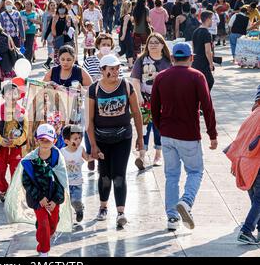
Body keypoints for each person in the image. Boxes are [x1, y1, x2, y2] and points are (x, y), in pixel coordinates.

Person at [151, 42, 218, 231]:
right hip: (189, 134)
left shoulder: (161, 77)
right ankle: (186, 202)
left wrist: (160, 128)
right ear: (192, 58)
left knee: (171, 175)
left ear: (172, 58)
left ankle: (172, 218)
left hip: (167, 134)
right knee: (195, 171)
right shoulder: (197, 76)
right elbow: (207, 107)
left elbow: (154, 108)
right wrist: (212, 134)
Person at [87, 54, 143, 227]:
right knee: (104, 175)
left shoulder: (126, 86)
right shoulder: (94, 89)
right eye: (111, 69)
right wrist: (93, 146)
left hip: (122, 137)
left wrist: (140, 137)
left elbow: (136, 112)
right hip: (101, 138)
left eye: (117, 68)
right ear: (102, 71)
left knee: (119, 175)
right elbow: (89, 120)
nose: (115, 71)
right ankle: (103, 207)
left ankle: (120, 212)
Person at [21, 123, 66, 257]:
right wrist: (40, 197)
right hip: (37, 199)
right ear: (36, 140)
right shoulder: (30, 160)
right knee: (44, 224)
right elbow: (26, 182)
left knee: (52, 225)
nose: (45, 143)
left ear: (55, 141)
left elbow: (61, 181)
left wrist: (55, 200)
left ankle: (43, 231)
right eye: (42, 140)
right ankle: (43, 249)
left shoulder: (58, 159)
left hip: (54, 199)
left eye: (48, 140)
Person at [131, 33, 172, 170]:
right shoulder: (141, 60)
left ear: (162, 45)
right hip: (145, 98)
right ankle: (142, 155)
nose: (153, 44)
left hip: (163, 99)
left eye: (156, 42)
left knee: (158, 127)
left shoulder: (167, 61)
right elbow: (135, 79)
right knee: (143, 127)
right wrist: (139, 96)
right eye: (150, 42)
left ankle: (158, 154)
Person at [225, 91, 260, 244]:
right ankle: (246, 230)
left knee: (256, 201)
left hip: (246, 164)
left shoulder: (254, 114)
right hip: (255, 164)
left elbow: (240, 139)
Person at [0, 83, 28, 202]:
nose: (12, 97)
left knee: (16, 173)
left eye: (14, 94)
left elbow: (26, 131)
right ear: (3, 96)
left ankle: (14, 193)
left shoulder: (21, 111)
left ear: (18, 96)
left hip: (16, 149)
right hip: (1, 148)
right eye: (8, 94)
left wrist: (17, 141)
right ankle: (4, 190)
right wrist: (1, 140)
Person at [61, 124, 102, 223]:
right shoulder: (62, 152)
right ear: (66, 141)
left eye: (79, 138)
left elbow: (87, 158)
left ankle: (79, 210)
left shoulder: (81, 149)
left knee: (76, 200)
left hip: (77, 182)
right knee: (65, 202)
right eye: (75, 138)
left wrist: (97, 156)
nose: (78, 141)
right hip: (66, 183)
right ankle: (65, 218)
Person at [191, 10, 215, 91]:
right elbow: (208, 51)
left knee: (198, 83)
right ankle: (204, 100)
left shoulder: (195, 31)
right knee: (210, 81)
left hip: (195, 61)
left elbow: (193, 47)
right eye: (212, 19)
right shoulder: (207, 33)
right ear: (208, 19)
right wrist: (211, 64)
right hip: (203, 62)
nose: (213, 21)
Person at [118, 0, 135, 70]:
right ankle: (130, 66)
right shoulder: (127, 16)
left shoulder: (123, 15)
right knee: (130, 49)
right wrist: (124, 35)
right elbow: (125, 26)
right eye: (130, 7)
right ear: (128, 7)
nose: (132, 8)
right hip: (126, 34)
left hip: (123, 33)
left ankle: (111, 59)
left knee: (123, 50)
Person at [41, 0, 56, 70]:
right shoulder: (45, 14)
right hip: (49, 33)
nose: (52, 7)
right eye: (51, 5)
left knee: (56, 47)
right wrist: (43, 36)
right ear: (49, 6)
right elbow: (44, 25)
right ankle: (48, 63)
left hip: (56, 32)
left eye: (54, 5)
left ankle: (52, 61)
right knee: (50, 48)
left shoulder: (57, 13)